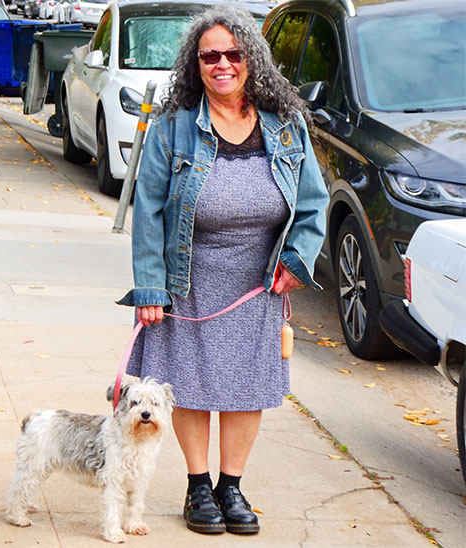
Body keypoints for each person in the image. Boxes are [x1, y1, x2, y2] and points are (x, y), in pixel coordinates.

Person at [117, 5, 329, 536]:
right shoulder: (174, 129)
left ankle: (231, 487)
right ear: (196, 65)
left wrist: (296, 260)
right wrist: (151, 287)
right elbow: (148, 212)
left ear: (251, 59)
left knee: (245, 388)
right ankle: (197, 487)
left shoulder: (286, 127)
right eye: (210, 56)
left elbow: (313, 203)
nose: (222, 64)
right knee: (189, 384)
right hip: (187, 277)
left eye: (233, 54)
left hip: (258, 281)